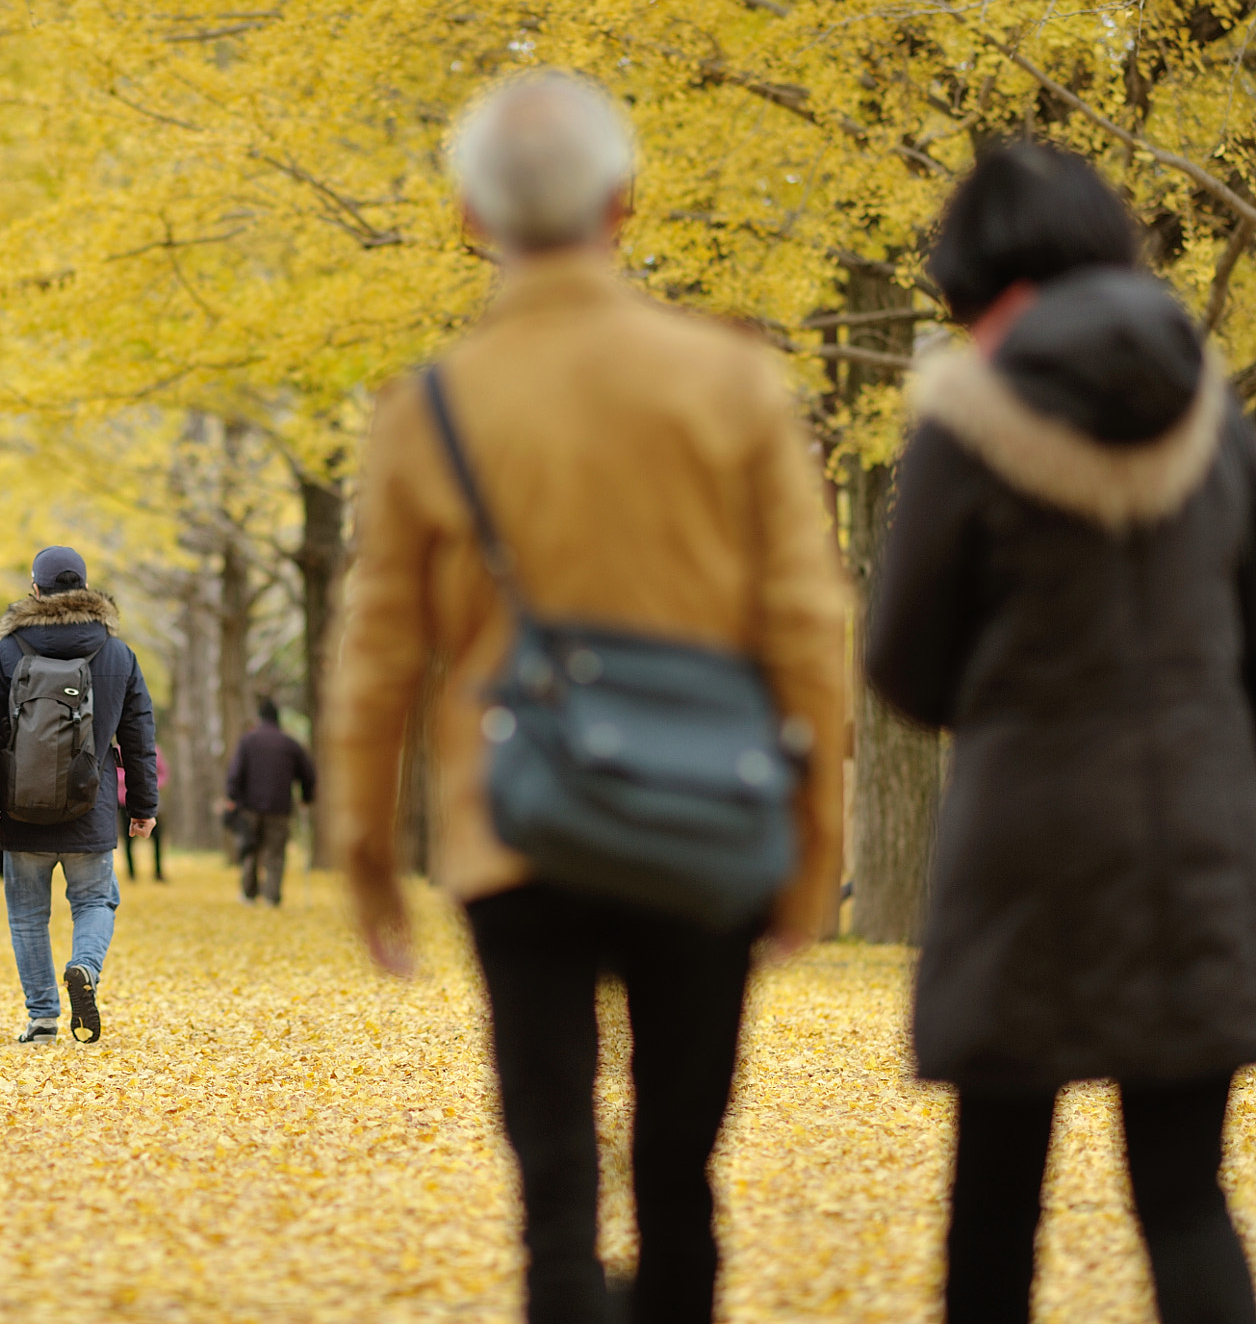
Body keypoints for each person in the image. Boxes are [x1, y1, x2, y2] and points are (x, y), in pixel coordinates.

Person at [326, 70, 847, 1323]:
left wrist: (360, 850)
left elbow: (377, 653)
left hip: (518, 817)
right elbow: (808, 628)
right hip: (707, 810)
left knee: (553, 1173)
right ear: (624, 201)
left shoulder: (427, 410)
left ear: (467, 214)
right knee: (679, 1169)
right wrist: (810, 842)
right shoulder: (729, 382)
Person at [866, 142, 1256, 1324]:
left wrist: (996, 712)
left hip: (1023, 844)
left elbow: (900, 657)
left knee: (993, 1201)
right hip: (1196, 833)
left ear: (984, 284)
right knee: (1185, 1198)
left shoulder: (965, 422)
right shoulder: (1217, 416)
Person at [0, 546, 159, 1045]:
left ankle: (41, 1019)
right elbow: (139, 736)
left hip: (22, 810)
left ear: (35, 590)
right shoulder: (117, 654)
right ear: (84, 590)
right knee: (96, 901)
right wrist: (143, 807)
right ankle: (83, 968)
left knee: (27, 916)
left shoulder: (10, 651)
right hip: (91, 808)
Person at [224, 698, 315, 906]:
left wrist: (233, 798)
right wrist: (306, 796)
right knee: (275, 853)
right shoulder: (290, 743)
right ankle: (272, 897)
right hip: (279, 807)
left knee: (250, 849)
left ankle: (248, 894)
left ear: (260, 718)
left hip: (250, 806)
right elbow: (308, 774)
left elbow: (235, 772)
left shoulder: (248, 741)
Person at [118, 746, 168, 883]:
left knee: (157, 837)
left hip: (149, 799)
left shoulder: (155, 750)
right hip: (125, 801)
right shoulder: (119, 750)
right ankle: (131, 874)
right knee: (128, 839)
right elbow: (114, 773)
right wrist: (132, 781)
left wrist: (151, 785)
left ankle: (158, 872)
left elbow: (163, 773)